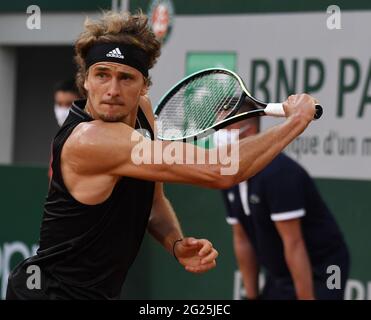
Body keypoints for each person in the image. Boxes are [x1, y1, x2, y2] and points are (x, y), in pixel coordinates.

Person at [6, 11, 318, 300]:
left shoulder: (142, 112)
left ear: (144, 86)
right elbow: (222, 170)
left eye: (126, 78)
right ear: (85, 80)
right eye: (102, 74)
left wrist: (175, 242)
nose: (112, 89)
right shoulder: (90, 140)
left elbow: (153, 202)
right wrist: (295, 122)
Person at [220, 110, 350, 300]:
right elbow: (242, 240)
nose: (218, 134)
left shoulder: (278, 174)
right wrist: (252, 296)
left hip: (328, 267)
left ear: (249, 132)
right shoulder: (228, 174)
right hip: (282, 274)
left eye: (225, 127)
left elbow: (294, 243)